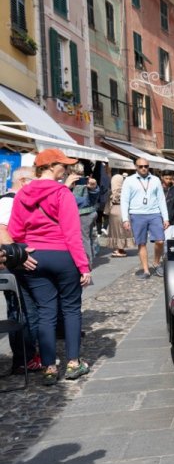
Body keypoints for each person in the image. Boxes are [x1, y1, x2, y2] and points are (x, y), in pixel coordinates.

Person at [8, 149, 91, 385]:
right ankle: (74, 363)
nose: (65, 169)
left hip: (34, 257)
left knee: (46, 312)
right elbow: (72, 233)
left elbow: (15, 232)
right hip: (63, 255)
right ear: (52, 166)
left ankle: (49, 367)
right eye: (63, 165)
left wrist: (23, 253)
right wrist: (83, 266)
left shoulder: (23, 193)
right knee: (71, 309)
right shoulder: (62, 192)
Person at [0, 166, 40, 374]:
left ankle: (27, 356)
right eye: (34, 180)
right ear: (24, 181)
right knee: (22, 312)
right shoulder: (9, 201)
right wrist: (19, 256)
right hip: (11, 266)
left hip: (14, 265)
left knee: (25, 311)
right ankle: (23, 358)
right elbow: (1, 229)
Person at [121, 159, 168, 279]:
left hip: (154, 213)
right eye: (140, 166)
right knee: (141, 243)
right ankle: (146, 270)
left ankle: (156, 262)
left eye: (146, 166)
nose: (143, 168)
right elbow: (124, 200)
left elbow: (161, 199)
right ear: (136, 167)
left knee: (160, 240)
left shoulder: (155, 180)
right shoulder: (129, 180)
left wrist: (165, 217)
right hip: (136, 214)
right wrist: (125, 219)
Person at [69, 162, 100, 267]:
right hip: (91, 212)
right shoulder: (84, 181)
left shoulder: (77, 185)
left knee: (84, 239)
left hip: (84, 214)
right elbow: (94, 198)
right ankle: (90, 259)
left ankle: (87, 263)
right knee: (89, 238)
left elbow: (78, 201)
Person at [105, 174, 131, 257]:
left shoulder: (113, 190)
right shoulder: (125, 189)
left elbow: (111, 199)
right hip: (123, 210)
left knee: (115, 230)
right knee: (121, 230)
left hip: (115, 209)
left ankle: (119, 249)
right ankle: (120, 248)